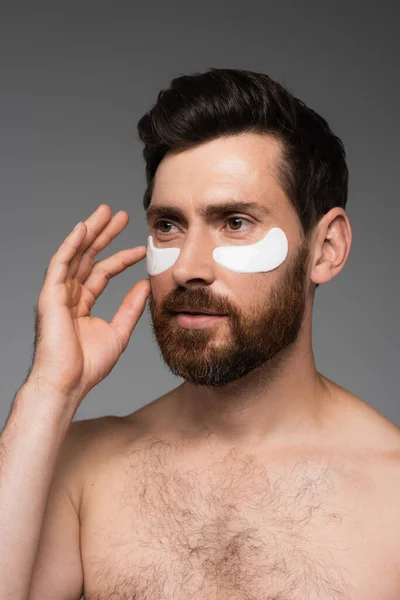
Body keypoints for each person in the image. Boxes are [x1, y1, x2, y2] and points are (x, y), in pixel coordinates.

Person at [0, 68, 399, 600]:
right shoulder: (79, 469)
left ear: (326, 249)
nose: (188, 266)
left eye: (235, 222)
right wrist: (49, 392)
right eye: (168, 225)